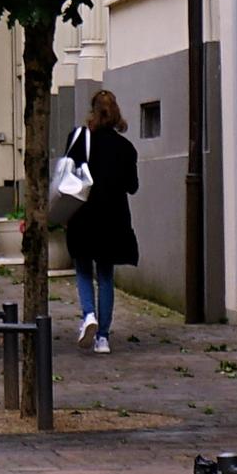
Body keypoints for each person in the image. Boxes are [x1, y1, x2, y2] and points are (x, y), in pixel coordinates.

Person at [65, 86, 138, 355]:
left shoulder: (79, 138)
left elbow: (68, 175)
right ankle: (103, 338)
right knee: (105, 275)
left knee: (83, 269)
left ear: (92, 112)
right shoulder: (126, 148)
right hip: (113, 218)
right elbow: (133, 186)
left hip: (82, 215)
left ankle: (89, 315)